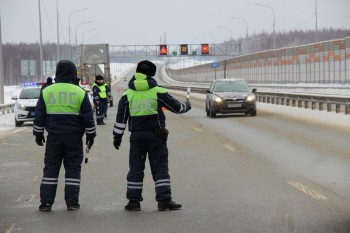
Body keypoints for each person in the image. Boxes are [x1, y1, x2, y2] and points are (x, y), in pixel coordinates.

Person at [113, 60, 191, 211]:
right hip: (156, 136)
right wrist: (186, 105)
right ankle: (163, 201)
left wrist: (117, 137)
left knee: (136, 168)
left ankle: (133, 202)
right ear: (152, 74)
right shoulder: (158, 92)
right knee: (160, 168)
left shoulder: (127, 94)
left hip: (136, 138)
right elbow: (176, 108)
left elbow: (121, 119)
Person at [33, 60, 96, 212]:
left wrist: (38, 132)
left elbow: (39, 115)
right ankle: (72, 203)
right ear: (73, 73)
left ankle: (46, 203)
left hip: (54, 138)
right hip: (74, 138)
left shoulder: (47, 91)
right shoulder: (79, 92)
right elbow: (87, 117)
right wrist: (91, 135)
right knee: (73, 170)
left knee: (51, 169)